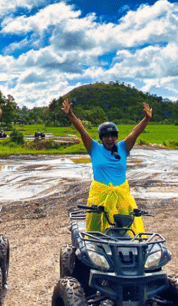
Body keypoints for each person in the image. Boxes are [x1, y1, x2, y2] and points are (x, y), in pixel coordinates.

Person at [61, 99, 152, 235]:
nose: (109, 139)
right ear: (101, 137)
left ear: (116, 137)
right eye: (106, 136)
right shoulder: (94, 148)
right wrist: (70, 115)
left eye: (112, 136)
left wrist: (146, 119)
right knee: (95, 229)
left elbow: (135, 133)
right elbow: (82, 130)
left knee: (128, 227)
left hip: (122, 195)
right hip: (99, 195)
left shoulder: (123, 147)